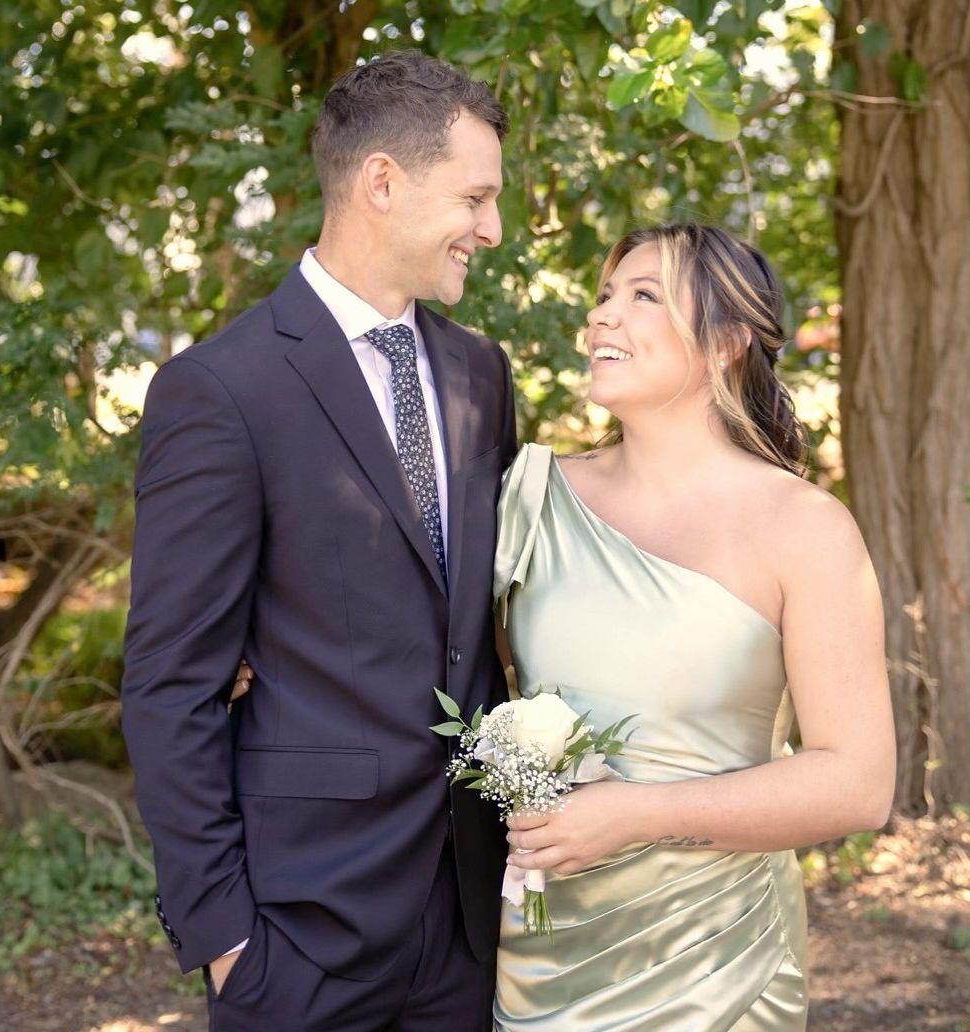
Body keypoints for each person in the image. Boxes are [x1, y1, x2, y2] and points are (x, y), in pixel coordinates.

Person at [120, 50, 516, 1030]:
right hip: (301, 939)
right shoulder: (223, 391)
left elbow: (481, 636)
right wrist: (227, 944)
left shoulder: (481, 376)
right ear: (382, 181)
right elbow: (172, 686)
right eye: (475, 196)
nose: (492, 229)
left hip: (469, 924)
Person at [490, 223, 897, 1030]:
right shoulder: (530, 495)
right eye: (606, 295)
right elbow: (414, 641)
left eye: (643, 296)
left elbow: (858, 782)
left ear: (726, 342)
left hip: (717, 961)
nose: (604, 316)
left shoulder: (805, 529)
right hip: (545, 955)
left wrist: (636, 813)